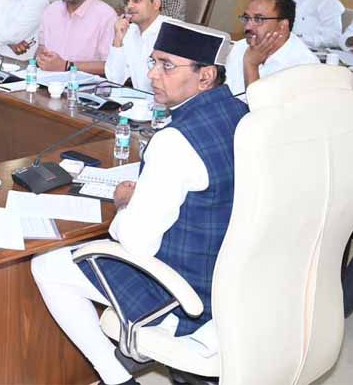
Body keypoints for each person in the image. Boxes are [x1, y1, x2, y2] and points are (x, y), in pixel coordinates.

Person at [31, 20, 248, 385]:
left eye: (167, 65)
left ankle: (116, 377)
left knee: (47, 266)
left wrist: (124, 203)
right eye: (153, 62)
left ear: (206, 76)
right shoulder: (241, 115)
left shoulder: (176, 140)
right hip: (231, 276)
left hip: (186, 289)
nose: (151, 74)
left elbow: (136, 242)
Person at [225, 0, 319, 99]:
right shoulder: (241, 46)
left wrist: (251, 65)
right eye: (246, 18)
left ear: (282, 25)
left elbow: (260, 108)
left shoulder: (304, 67)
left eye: (259, 19)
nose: (248, 27)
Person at [37, 0, 116, 74]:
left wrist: (67, 66)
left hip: (84, 83)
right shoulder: (51, 10)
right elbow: (41, 47)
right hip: (47, 79)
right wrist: (42, 58)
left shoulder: (106, 16)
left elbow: (110, 66)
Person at [106, 0, 168, 93]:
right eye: (126, 2)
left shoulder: (172, 32)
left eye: (137, 0)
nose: (129, 6)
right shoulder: (129, 31)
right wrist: (118, 39)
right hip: (141, 100)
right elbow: (115, 79)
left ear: (156, 4)